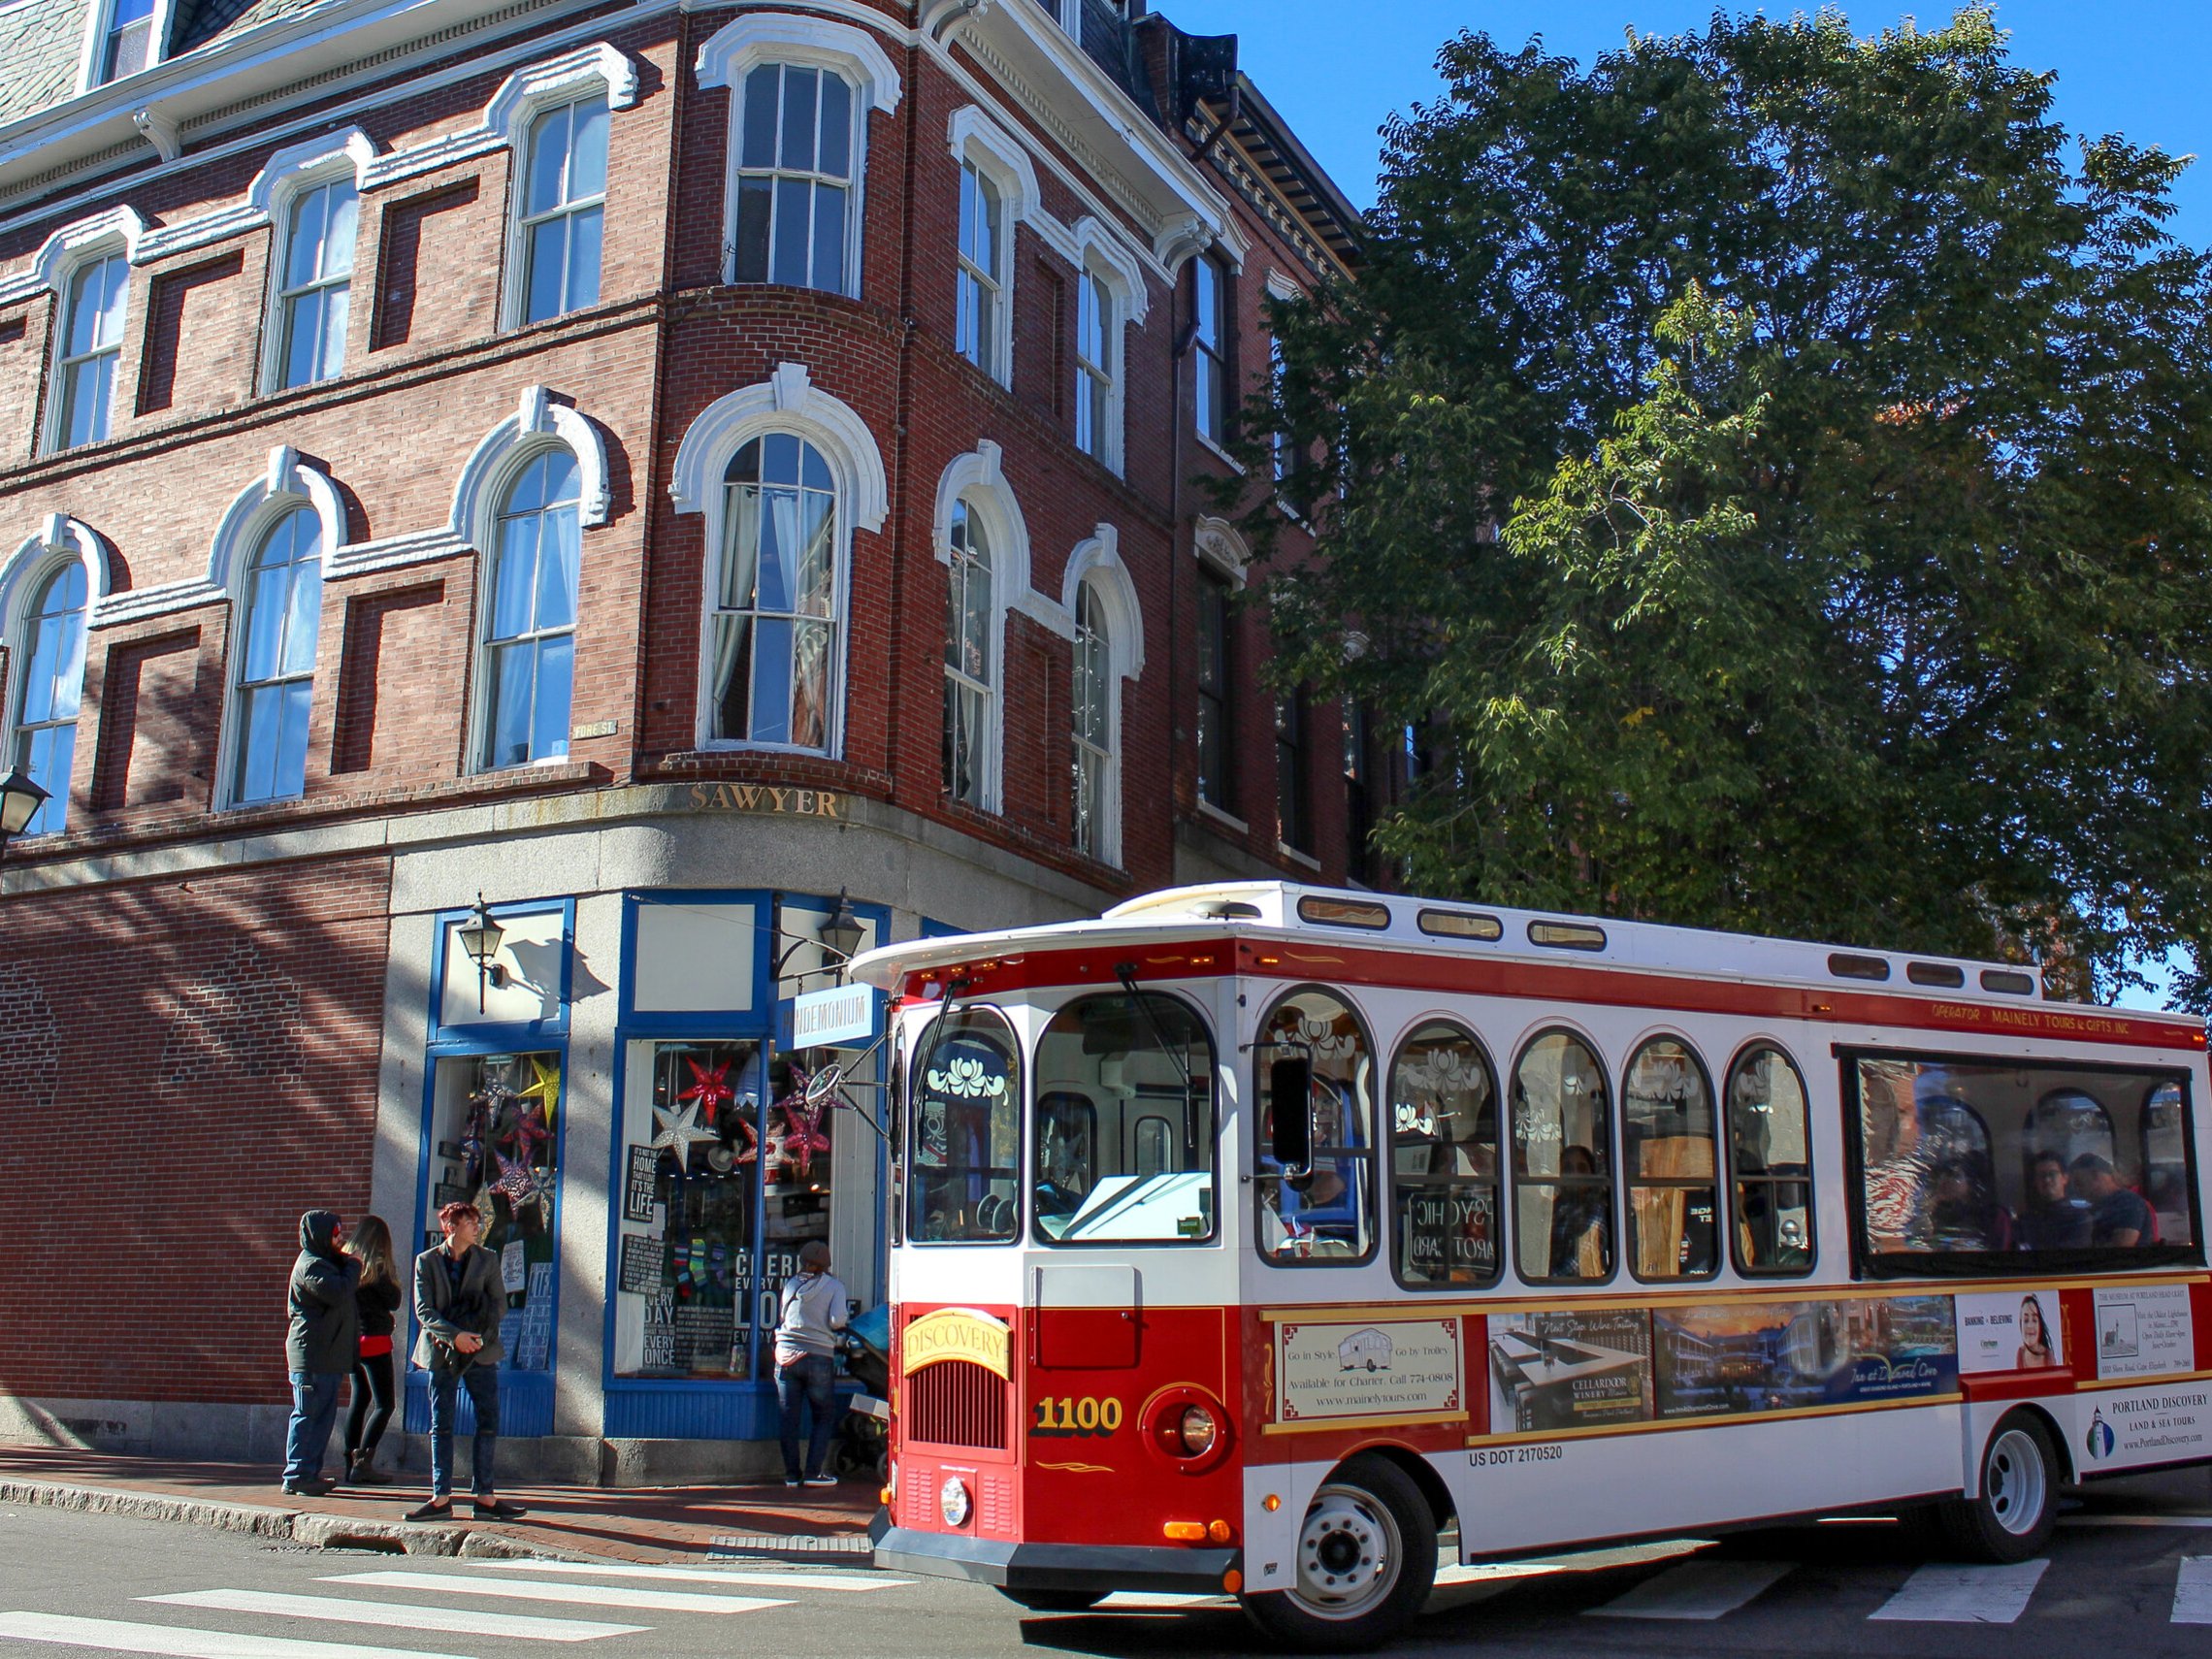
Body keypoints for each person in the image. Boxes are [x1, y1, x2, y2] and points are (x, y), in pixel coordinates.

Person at [407, 1201, 525, 1522]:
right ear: (451, 1227)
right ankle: (440, 1497)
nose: (477, 1226)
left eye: (478, 1221)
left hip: (480, 1350)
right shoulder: (426, 1262)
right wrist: (454, 1336)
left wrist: (476, 1338)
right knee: (440, 1423)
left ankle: (485, 1498)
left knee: (488, 1419)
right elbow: (424, 1311)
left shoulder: (487, 1259)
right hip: (442, 1351)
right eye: (470, 1222)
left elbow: (499, 1304)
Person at [282, 1210, 359, 1496]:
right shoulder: (311, 1265)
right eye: (335, 1233)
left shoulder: (326, 1262)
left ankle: (309, 1473)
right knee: (308, 1414)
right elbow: (337, 1292)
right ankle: (296, 1474)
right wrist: (352, 1266)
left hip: (326, 1356)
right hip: (311, 1356)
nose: (340, 1238)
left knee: (322, 1417)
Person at [773, 1240, 849, 1488]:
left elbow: (784, 1317)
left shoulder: (791, 1284)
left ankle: (791, 1476)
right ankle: (814, 1473)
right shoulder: (835, 1286)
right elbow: (838, 1321)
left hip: (786, 1356)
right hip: (818, 1356)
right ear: (826, 1264)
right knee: (823, 1416)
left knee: (788, 1418)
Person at [342, 1215, 403, 1485]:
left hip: (352, 1339)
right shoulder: (378, 1267)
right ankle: (363, 1462)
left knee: (360, 1399)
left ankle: (349, 1462)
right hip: (376, 1339)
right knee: (385, 1403)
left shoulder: (347, 1263)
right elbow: (394, 1300)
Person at [1547, 1147, 1610, 1278]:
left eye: (1581, 1168)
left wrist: (1541, 1279)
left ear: (1591, 1174)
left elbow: (1579, 1261)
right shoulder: (1554, 1207)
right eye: (1568, 1169)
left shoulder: (1595, 1210)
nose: (1575, 1174)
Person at [2071, 1154, 2156, 1248]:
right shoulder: (2096, 1207)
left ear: (2096, 1176)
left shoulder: (2128, 1202)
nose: (2077, 1189)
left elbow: (2122, 1246)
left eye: (2079, 1183)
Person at [2017, 1150, 2092, 1251]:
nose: (2047, 1180)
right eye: (2041, 1175)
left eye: (2052, 1174)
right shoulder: (2026, 1220)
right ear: (2035, 1182)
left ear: (2064, 1178)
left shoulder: (2080, 1218)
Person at [2015, 1294, 2056, 1369]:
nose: (2030, 1326)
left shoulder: (2048, 1356)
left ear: (2040, 1324)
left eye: (2034, 1320)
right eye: (2026, 1320)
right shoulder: (2020, 1353)